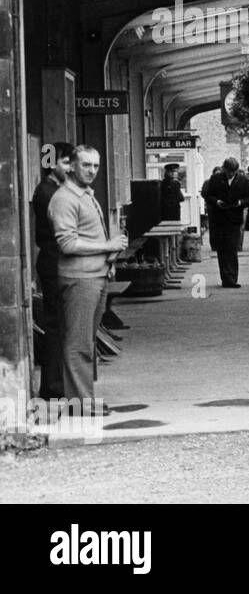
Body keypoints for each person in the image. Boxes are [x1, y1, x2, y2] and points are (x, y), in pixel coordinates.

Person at [48, 145, 129, 413]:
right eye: (86, 165)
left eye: (96, 165)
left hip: (95, 276)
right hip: (80, 279)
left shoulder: (85, 195)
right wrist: (107, 247)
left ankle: (84, 397)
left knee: (86, 340)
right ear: (71, 166)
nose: (92, 171)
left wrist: (109, 255)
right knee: (78, 342)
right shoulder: (64, 199)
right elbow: (68, 244)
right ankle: (79, 403)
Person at [30, 141, 75, 400]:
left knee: (60, 324)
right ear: (51, 163)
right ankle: (55, 386)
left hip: (54, 262)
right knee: (58, 325)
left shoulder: (53, 190)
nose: (70, 169)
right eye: (66, 162)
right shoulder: (49, 193)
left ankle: (56, 384)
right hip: (56, 263)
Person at [202, 158, 249, 288]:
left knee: (231, 248)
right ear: (224, 169)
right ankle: (225, 278)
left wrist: (240, 203)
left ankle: (232, 278)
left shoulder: (244, 180)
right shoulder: (215, 179)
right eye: (228, 171)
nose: (231, 174)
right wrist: (216, 202)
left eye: (233, 172)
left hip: (234, 218)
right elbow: (208, 195)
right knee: (222, 249)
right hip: (219, 218)